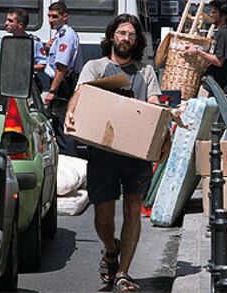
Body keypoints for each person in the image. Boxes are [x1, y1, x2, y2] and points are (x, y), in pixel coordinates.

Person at [64, 14, 170, 292]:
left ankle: (123, 273)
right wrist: (71, 112)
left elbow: (155, 104)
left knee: (134, 208)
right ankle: (111, 250)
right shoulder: (96, 67)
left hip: (136, 154)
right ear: (112, 36)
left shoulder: (145, 73)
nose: (126, 39)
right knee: (103, 216)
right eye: (122, 33)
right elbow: (81, 92)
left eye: (132, 35)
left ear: (137, 41)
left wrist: (164, 130)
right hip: (103, 152)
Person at [44, 1, 83, 157]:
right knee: (59, 124)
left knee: (64, 124)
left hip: (64, 84)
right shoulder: (59, 34)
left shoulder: (66, 35)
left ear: (65, 17)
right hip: (62, 83)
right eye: (49, 16)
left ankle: (69, 160)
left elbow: (62, 67)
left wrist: (52, 90)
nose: (51, 20)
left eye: (55, 16)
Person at [186, 0, 227, 94]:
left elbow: (219, 61)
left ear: (224, 16)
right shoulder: (220, 32)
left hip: (219, 88)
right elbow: (213, 54)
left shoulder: (225, 33)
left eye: (214, 12)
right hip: (215, 88)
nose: (210, 15)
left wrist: (198, 52)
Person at [4, 8, 47, 72]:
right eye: (7, 20)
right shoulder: (5, 41)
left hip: (26, 79)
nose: (6, 23)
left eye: (10, 21)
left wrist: (26, 67)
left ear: (20, 25)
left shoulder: (34, 42)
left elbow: (43, 65)